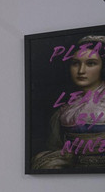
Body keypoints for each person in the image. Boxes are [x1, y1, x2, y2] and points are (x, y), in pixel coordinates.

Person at [32, 34, 105, 170]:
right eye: (75, 63)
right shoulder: (66, 109)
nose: (81, 71)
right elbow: (58, 146)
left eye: (91, 63)